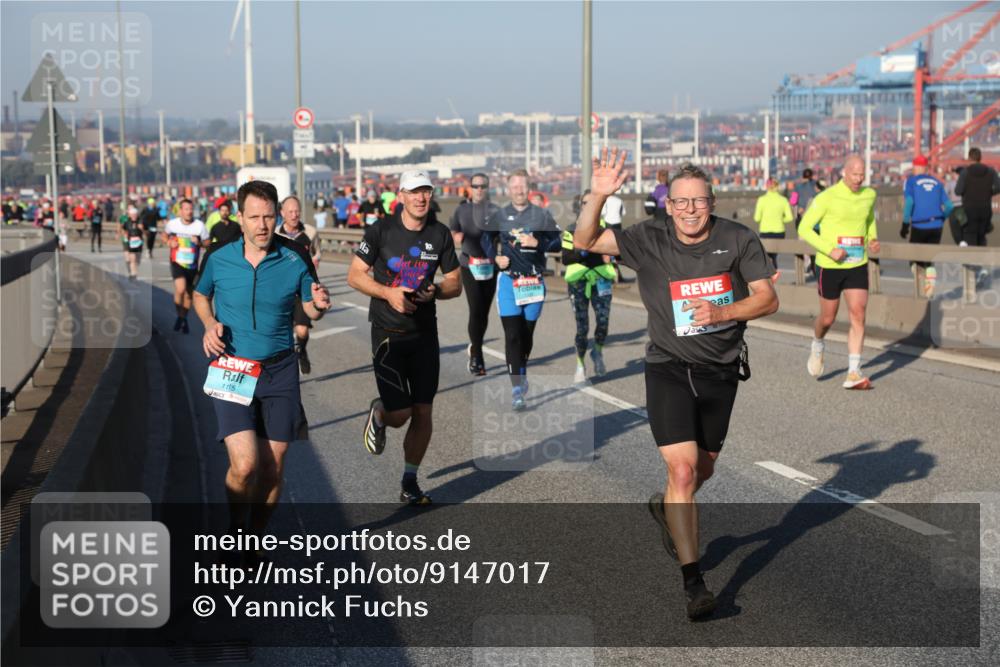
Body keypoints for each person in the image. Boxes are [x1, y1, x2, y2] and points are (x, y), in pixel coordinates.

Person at [576, 150, 776, 620]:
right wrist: (600, 194)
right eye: (680, 203)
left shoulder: (737, 238)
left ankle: (668, 508)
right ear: (668, 205)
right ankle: (694, 583)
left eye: (698, 202)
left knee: (702, 471)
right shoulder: (647, 238)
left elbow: (768, 298)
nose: (689, 210)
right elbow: (584, 239)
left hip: (720, 372)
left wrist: (724, 312)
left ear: (712, 202)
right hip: (667, 366)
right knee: (682, 472)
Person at [194, 180, 330, 541]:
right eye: (254, 217)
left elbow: (312, 310)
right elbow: (200, 295)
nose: (263, 225)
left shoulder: (294, 256)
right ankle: (235, 532)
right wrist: (209, 324)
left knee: (271, 470)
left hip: (280, 369)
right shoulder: (219, 256)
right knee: (244, 465)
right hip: (231, 367)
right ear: (240, 218)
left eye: (269, 216)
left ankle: (255, 536)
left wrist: (319, 304)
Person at [348, 170, 461, 505]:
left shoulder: (439, 234)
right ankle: (381, 413)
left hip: (424, 335)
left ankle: (410, 481)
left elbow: (455, 282)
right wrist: (389, 293)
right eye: (414, 192)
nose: (420, 198)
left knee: (424, 411)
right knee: (402, 414)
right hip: (388, 335)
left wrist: (436, 291)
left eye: (425, 191)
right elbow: (354, 275)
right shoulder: (381, 230)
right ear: (401, 196)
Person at [482, 169, 562, 410]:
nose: (519, 191)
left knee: (526, 337)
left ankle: (521, 370)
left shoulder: (541, 215)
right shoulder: (500, 215)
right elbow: (485, 240)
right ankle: (517, 388)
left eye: (523, 186)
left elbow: (559, 239)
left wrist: (540, 243)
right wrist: (495, 259)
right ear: (508, 189)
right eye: (514, 187)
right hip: (508, 281)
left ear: (529, 188)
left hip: (534, 284)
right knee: (512, 335)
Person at [798, 155, 879, 389]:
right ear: (844, 173)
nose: (858, 178)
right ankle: (818, 343)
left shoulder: (869, 195)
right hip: (829, 265)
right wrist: (829, 249)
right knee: (828, 318)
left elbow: (869, 218)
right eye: (854, 174)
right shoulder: (827, 197)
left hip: (856, 263)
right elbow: (804, 227)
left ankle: (853, 372)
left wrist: (872, 238)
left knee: (858, 313)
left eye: (862, 174)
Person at [562, 190, 616, 383]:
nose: (589, 207)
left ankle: (598, 352)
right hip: (578, 282)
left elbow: (618, 253)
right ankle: (580, 364)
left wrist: (613, 256)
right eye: (585, 203)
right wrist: (585, 251)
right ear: (580, 206)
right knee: (582, 327)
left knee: (603, 323)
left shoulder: (608, 229)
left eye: (593, 203)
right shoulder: (571, 229)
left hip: (602, 280)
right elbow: (566, 258)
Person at [449, 172, 500, 376]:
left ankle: (474, 346)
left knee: (484, 313)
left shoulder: (496, 211)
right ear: (470, 188)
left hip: (490, 266)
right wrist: (456, 236)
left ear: (488, 188)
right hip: (469, 265)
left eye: (483, 186)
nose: (479, 189)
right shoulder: (461, 210)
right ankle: (477, 355)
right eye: (476, 186)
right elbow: (452, 230)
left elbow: (503, 236)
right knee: (475, 308)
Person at [275, 195, 321, 375]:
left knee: (302, 331)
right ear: (282, 213)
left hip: (303, 290)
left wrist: (314, 262)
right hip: (280, 291)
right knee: (282, 333)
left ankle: (302, 351)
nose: (294, 215)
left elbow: (317, 253)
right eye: (290, 212)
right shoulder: (275, 234)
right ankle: (285, 368)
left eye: (297, 211)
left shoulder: (311, 232)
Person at [901, 155, 953, 297]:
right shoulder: (937, 182)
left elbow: (910, 202)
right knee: (930, 258)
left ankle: (921, 280)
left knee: (913, 257)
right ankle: (930, 284)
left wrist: (905, 224)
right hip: (937, 225)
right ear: (926, 167)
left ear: (914, 166)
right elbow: (949, 205)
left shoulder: (910, 181)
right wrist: (942, 218)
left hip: (919, 225)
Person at [162, 198, 209, 334]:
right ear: (181, 211)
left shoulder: (199, 226)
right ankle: (179, 315)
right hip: (177, 262)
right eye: (186, 209)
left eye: (190, 209)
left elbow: (208, 243)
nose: (189, 212)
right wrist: (169, 242)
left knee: (189, 295)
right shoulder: (173, 224)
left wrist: (199, 242)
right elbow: (164, 236)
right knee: (180, 289)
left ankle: (183, 318)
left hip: (192, 265)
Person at [955, 147, 1000, 286]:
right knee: (981, 237)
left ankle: (974, 275)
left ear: (970, 158)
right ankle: (980, 269)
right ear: (980, 158)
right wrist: (988, 193)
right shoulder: (991, 171)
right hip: (985, 211)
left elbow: (958, 191)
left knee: (970, 239)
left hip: (969, 210)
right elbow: (998, 187)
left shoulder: (965, 173)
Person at [753, 178, 794, 267]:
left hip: (765, 231)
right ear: (777, 186)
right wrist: (780, 220)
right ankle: (774, 271)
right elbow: (790, 218)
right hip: (779, 232)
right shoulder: (783, 200)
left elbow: (757, 218)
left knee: (767, 255)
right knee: (774, 255)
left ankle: (770, 275)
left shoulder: (762, 200)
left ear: (766, 186)